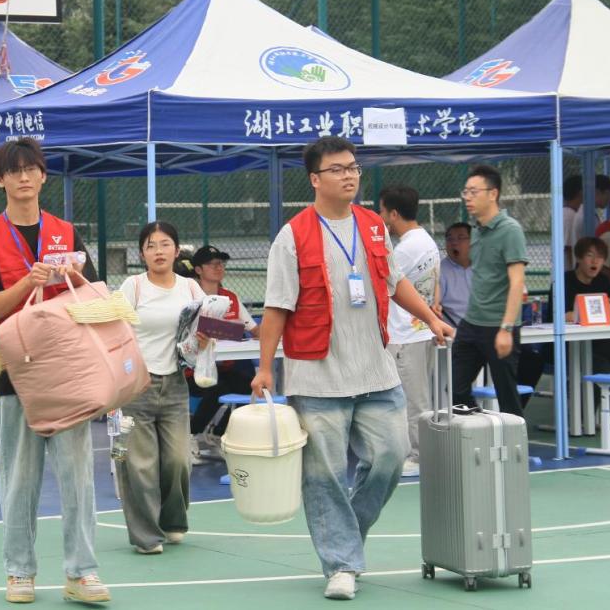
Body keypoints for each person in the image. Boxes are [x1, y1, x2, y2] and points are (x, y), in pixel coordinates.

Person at [251, 137, 452, 600]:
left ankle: (345, 538)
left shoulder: (374, 226)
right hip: (316, 375)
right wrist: (265, 368)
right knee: (324, 475)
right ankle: (341, 564)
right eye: (338, 169)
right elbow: (277, 308)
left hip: (376, 371)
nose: (349, 176)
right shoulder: (292, 236)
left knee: (391, 456)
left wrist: (431, 318)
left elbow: (395, 282)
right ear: (315, 179)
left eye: (354, 167)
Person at [0, 138, 108, 604]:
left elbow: (92, 292)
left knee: (78, 476)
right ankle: (19, 571)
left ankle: (82, 572)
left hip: (68, 370)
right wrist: (26, 283)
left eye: (32, 169)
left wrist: (72, 278)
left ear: (44, 176)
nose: (24, 177)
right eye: (15, 171)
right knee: (19, 477)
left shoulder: (66, 232)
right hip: (15, 372)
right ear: (0, 180)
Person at [118, 221, 206, 555]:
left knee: (178, 460)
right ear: (142, 253)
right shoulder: (133, 287)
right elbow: (113, 330)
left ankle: (173, 522)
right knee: (139, 464)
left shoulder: (191, 288)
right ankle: (146, 536)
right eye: (151, 246)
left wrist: (206, 336)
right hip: (137, 385)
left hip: (175, 385)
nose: (158, 251)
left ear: (176, 250)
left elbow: (212, 326)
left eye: (165, 244)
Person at [452, 164, 528, 417]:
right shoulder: (476, 231)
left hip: (499, 325)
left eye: (474, 192)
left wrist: (506, 329)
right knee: (455, 388)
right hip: (471, 323)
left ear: (493, 194)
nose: (468, 198)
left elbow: (517, 282)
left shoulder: (510, 230)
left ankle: (514, 442)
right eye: (466, 192)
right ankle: (481, 431)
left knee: (507, 396)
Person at [379, 185, 440, 478]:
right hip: (419, 331)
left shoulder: (404, 250)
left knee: (413, 400)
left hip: (406, 335)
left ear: (393, 214)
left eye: (382, 211)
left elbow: (381, 282)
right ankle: (412, 452)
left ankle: (419, 456)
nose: (380, 218)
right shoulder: (426, 241)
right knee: (415, 398)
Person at [187, 244, 259, 463]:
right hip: (192, 370)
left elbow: (254, 330)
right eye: (212, 264)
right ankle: (191, 434)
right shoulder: (189, 297)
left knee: (251, 387)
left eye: (221, 263)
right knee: (217, 387)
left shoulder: (231, 297)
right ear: (198, 270)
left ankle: (217, 434)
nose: (219, 267)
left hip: (224, 367)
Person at [547, 237, 610, 374]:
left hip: (599, 342)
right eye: (590, 255)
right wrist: (605, 311)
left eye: (600, 257)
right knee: (603, 367)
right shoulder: (563, 281)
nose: (595, 261)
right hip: (569, 345)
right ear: (579, 258)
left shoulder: (603, 281)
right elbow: (564, 316)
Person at [433, 222, 472, 328]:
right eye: (450, 239)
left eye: (460, 238)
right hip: (455, 331)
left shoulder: (483, 267)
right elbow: (434, 306)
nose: (454, 243)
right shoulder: (440, 271)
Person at [562, 175, 583, 271]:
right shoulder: (569, 215)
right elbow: (568, 248)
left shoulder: (568, 213)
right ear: (581, 192)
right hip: (567, 272)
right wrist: (573, 274)